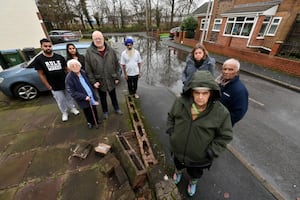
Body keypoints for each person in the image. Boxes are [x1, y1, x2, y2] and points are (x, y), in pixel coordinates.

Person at [166, 70, 233, 197]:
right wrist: (171, 130)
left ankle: (193, 181)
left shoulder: (221, 113)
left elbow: (225, 136)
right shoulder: (180, 102)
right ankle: (178, 172)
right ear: (191, 91)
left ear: (211, 93)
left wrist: (212, 151)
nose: (200, 97)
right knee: (178, 163)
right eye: (197, 92)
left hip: (199, 158)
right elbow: (171, 116)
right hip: (178, 150)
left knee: (195, 172)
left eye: (205, 93)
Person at [32, 38, 80, 122]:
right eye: (45, 46)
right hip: (53, 85)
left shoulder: (59, 57)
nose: (48, 48)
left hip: (65, 83)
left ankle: (72, 108)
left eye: (49, 46)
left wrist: (71, 80)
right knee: (60, 100)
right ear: (41, 47)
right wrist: (48, 86)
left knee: (69, 97)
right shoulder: (39, 59)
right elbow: (41, 74)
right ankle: (64, 112)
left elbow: (66, 69)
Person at [85, 31, 123, 120]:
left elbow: (117, 65)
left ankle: (117, 108)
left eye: (100, 38)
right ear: (93, 40)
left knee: (113, 96)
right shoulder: (89, 52)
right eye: (96, 39)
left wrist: (117, 77)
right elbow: (88, 70)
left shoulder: (110, 50)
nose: (98, 40)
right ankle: (105, 111)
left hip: (111, 79)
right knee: (102, 98)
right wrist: (93, 82)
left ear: (103, 38)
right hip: (100, 81)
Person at [65, 59, 100, 129]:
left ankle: (96, 119)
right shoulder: (69, 78)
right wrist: (84, 97)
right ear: (70, 68)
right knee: (87, 111)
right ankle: (90, 122)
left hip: (91, 95)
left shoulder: (83, 72)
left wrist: (94, 84)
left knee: (94, 108)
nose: (75, 67)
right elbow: (72, 92)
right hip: (83, 98)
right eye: (72, 66)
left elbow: (90, 81)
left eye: (76, 65)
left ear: (80, 65)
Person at [215, 58, 248, 126]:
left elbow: (238, 113)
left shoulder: (240, 90)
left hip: (220, 125)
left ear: (237, 72)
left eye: (230, 69)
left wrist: (222, 122)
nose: (226, 72)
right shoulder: (217, 83)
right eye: (225, 69)